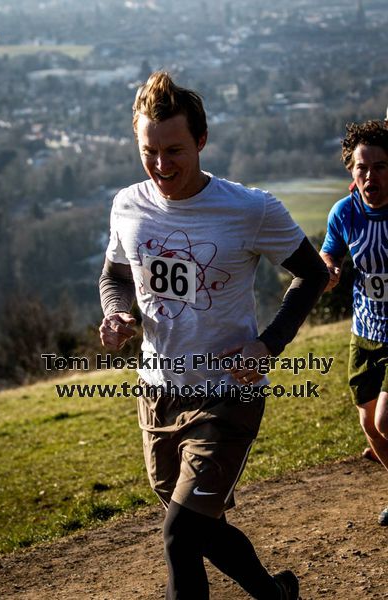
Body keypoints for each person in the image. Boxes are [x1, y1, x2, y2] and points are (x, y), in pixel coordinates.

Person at [99, 71, 329, 599]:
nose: (161, 166)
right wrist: (118, 313)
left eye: (174, 150)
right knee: (199, 529)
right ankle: (276, 595)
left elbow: (313, 273)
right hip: (157, 394)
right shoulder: (127, 206)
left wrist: (267, 344)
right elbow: (114, 275)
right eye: (148, 152)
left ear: (201, 141)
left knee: (179, 537)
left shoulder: (250, 209)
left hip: (228, 392)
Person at [320, 119, 388, 526]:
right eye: (362, 167)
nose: (370, 175)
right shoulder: (344, 212)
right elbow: (331, 253)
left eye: (380, 166)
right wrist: (328, 270)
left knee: (385, 419)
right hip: (364, 334)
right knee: (369, 426)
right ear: (351, 171)